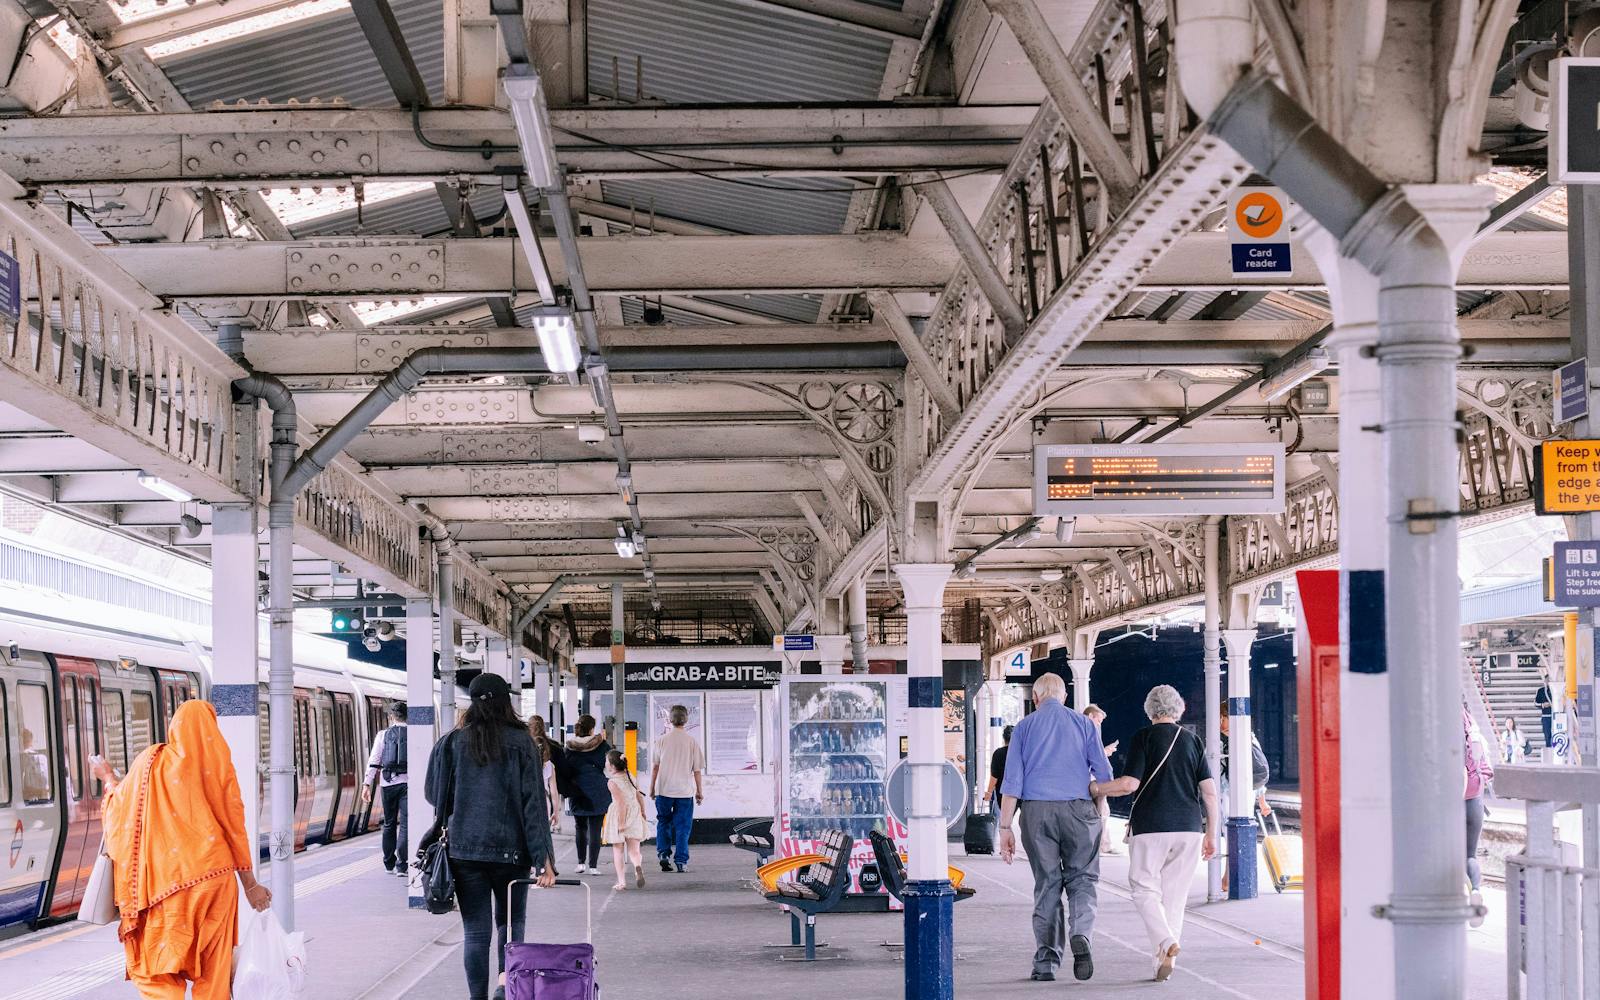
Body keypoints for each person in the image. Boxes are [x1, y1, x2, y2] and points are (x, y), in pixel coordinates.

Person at [94, 700, 272, 1000]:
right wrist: (251, 886)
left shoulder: (150, 762)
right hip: (216, 882)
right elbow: (234, 828)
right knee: (214, 976)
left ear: (174, 727)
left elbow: (118, 814)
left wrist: (109, 779)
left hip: (165, 888)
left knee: (158, 972)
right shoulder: (220, 769)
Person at [424, 673, 556, 1000]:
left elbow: (433, 794)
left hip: (464, 850)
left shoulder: (452, 742)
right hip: (513, 852)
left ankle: (477, 998)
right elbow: (534, 805)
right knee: (512, 927)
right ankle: (504, 984)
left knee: (475, 933)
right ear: (506, 701)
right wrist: (544, 860)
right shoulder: (522, 742)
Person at [1093, 685, 1218, 982]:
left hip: (1151, 827)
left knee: (1143, 888)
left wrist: (1096, 788)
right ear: (1180, 708)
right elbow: (1210, 793)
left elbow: (1129, 784)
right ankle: (1162, 960)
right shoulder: (1193, 740)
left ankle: (1165, 942)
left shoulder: (1143, 738)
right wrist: (1212, 833)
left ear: (1149, 710)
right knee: (1174, 898)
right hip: (1188, 829)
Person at [998, 673, 1111, 982]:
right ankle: (1082, 934)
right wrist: (1098, 812)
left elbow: (1012, 783)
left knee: (1047, 884)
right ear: (1064, 697)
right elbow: (1103, 776)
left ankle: (1046, 961)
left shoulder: (1023, 728)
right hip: (1078, 810)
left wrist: (1005, 827)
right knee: (1083, 879)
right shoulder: (1085, 724)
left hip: (1036, 813)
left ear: (1035, 699)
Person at [650, 704, 705, 873]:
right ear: (686, 720)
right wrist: (699, 792)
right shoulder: (692, 742)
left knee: (663, 822)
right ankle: (681, 862)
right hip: (684, 792)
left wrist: (652, 788)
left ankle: (663, 854)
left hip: (664, 790)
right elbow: (697, 770)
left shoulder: (661, 741)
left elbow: (655, 767)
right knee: (683, 827)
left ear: (670, 720)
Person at [361, 700, 409, 878]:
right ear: (407, 716)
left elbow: (374, 759)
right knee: (405, 824)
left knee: (389, 824)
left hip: (387, 783)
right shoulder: (413, 733)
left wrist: (367, 784)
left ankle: (389, 863)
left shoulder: (383, 735)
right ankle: (402, 865)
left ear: (392, 717)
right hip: (407, 784)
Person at [564, 714, 612, 875]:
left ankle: (580, 864)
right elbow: (609, 766)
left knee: (580, 827)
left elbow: (565, 768)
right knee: (595, 829)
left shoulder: (570, 747)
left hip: (578, 790)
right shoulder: (602, 745)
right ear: (592, 728)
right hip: (597, 789)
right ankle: (593, 866)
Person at [1463, 705, 1495, 928]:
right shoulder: (1473, 727)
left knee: (1446, 855)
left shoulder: (1442, 721)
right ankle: (1475, 890)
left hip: (1452, 799)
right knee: (1470, 855)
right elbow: (1487, 769)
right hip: (1475, 798)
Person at [603, 750, 649, 891]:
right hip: (634, 812)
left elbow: (621, 803)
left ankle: (622, 882)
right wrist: (642, 811)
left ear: (611, 766)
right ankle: (637, 866)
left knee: (618, 850)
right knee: (634, 850)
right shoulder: (631, 776)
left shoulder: (612, 782)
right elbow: (639, 796)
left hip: (619, 815)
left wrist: (622, 823)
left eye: (606, 762)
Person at [1082, 705, 1121, 854]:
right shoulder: (1086, 732)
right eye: (1098, 720)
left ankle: (1101, 844)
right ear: (1090, 716)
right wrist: (1105, 752)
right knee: (1102, 812)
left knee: (1102, 812)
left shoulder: (1083, 731)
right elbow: (1088, 758)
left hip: (1090, 780)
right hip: (1092, 782)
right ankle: (1103, 845)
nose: (1099, 724)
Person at [527, 715, 563, 833]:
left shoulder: (524, 760)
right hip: (544, 802)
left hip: (526, 802)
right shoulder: (549, 766)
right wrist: (556, 812)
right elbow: (554, 792)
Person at [981, 724, 1014, 813]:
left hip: (1003, 792)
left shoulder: (998, 753)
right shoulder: (1021, 753)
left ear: (1004, 738)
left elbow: (994, 777)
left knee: (1004, 821)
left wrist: (989, 793)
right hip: (1020, 791)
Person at [1535, 678, 1554, 750]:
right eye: (1547, 680)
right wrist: (1543, 705)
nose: (1548, 682)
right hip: (1546, 717)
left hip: (1556, 716)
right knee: (1547, 736)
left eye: (1550, 680)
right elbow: (1535, 703)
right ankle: (1549, 751)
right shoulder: (1541, 691)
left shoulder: (1557, 689)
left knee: (1556, 735)